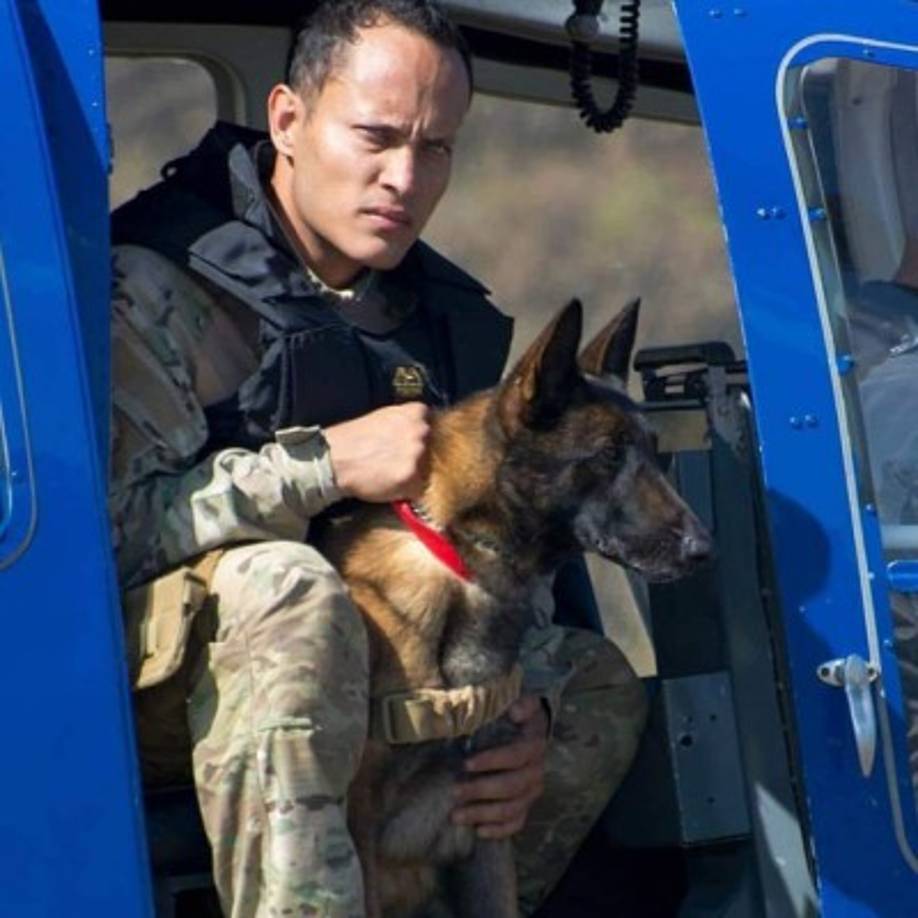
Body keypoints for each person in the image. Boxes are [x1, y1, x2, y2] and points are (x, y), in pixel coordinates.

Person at [109, 2, 647, 915]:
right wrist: (319, 468)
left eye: (435, 149)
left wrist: (523, 715)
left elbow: (500, 557)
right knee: (290, 590)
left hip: (381, 676)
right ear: (288, 120)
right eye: (376, 137)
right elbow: (105, 538)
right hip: (165, 675)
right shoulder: (155, 286)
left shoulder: (439, 320)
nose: (404, 177)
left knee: (590, 682)